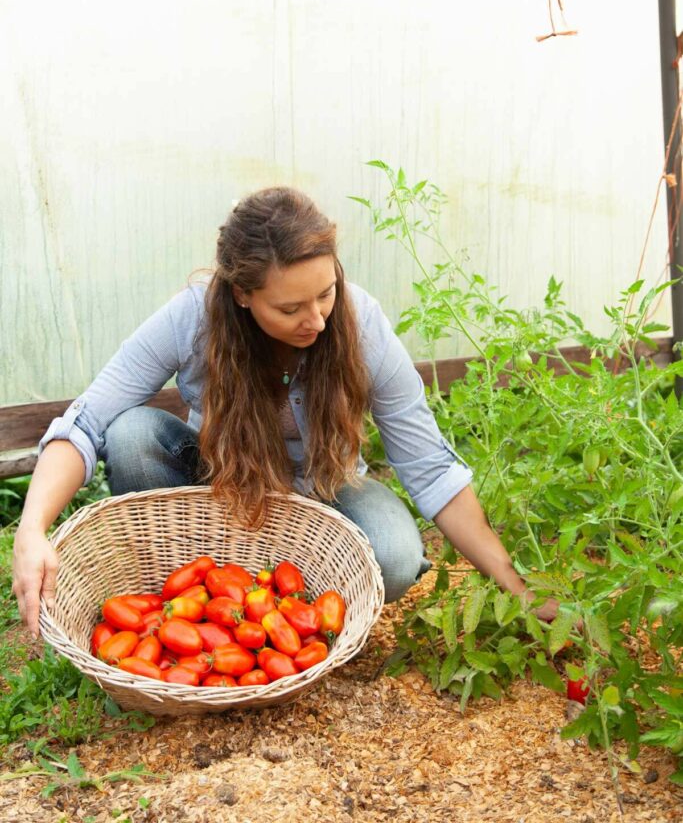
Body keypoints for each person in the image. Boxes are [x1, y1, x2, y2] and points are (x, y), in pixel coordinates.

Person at [13, 187, 558, 637]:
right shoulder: (194, 318)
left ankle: (268, 592)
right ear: (243, 295)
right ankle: (203, 587)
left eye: (326, 293)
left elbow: (431, 468)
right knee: (132, 435)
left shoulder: (361, 325)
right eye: (290, 308)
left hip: (328, 486)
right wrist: (32, 528)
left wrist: (519, 587)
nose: (317, 320)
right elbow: (86, 420)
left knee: (391, 561)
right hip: (221, 481)